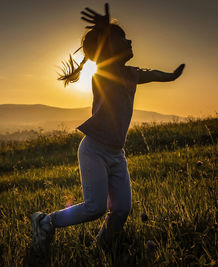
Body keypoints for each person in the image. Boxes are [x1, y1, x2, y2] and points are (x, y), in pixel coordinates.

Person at [31, 3, 185, 254]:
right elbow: (107, 63)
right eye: (122, 38)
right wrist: (103, 30)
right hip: (94, 150)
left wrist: (171, 76)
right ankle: (45, 222)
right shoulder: (102, 74)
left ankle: (100, 249)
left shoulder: (130, 74)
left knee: (122, 209)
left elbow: (151, 73)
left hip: (116, 153)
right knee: (95, 207)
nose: (130, 40)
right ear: (108, 49)